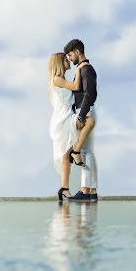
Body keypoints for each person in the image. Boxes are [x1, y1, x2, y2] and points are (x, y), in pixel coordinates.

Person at [63, 39, 98, 203]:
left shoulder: (86, 70)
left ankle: (85, 190)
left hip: (85, 111)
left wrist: (81, 115)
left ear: (77, 52)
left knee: (84, 152)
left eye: (70, 55)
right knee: (88, 152)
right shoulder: (83, 69)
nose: (70, 58)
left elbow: (89, 94)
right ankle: (91, 190)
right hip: (86, 110)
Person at [48, 52, 81, 201]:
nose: (69, 61)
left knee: (66, 156)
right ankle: (64, 187)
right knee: (66, 154)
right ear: (60, 63)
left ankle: (65, 188)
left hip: (65, 117)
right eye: (65, 60)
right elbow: (75, 86)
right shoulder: (57, 79)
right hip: (63, 119)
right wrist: (80, 68)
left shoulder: (60, 80)